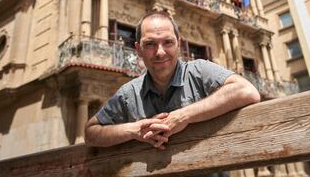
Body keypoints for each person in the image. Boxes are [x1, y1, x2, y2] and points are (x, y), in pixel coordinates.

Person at [85, 11, 261, 175]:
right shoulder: (128, 93)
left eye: (168, 42)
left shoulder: (199, 71)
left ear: (178, 44)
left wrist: (184, 116)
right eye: (150, 44)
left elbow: (247, 91)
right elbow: (90, 133)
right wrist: (134, 129)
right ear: (138, 49)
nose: (160, 52)